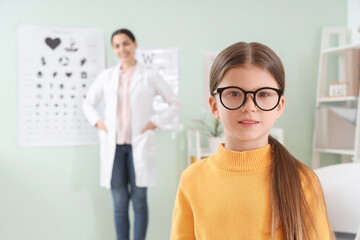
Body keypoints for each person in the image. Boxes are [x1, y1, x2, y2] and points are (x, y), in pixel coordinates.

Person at [170, 42, 334, 239]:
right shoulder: (192, 179)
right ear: (214, 106)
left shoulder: (303, 180)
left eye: (263, 94)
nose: (249, 106)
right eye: (234, 93)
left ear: (279, 106)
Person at [83, 28, 182, 240]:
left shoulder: (150, 76)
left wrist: (154, 123)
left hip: (139, 143)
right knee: (119, 203)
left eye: (126, 43)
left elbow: (175, 103)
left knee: (139, 202)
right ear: (113, 49)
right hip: (115, 147)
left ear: (135, 44)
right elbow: (88, 103)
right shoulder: (106, 76)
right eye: (117, 46)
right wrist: (98, 122)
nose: (122, 49)